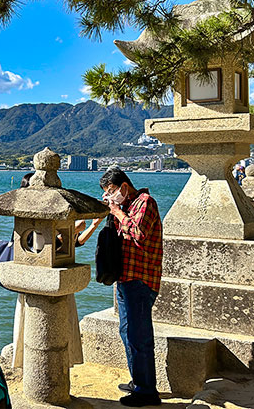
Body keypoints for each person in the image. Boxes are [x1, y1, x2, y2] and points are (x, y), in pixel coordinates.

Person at [9, 173, 100, 369]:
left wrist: (90, 226)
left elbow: (75, 243)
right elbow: (39, 246)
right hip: (36, 278)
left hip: (49, 275)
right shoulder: (32, 217)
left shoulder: (50, 216)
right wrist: (71, 230)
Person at [100, 167, 163, 407]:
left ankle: (147, 391)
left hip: (142, 278)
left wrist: (116, 211)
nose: (112, 196)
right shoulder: (127, 206)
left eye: (112, 191)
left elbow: (139, 233)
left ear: (124, 186)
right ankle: (139, 381)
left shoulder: (145, 202)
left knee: (139, 336)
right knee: (127, 333)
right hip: (126, 279)